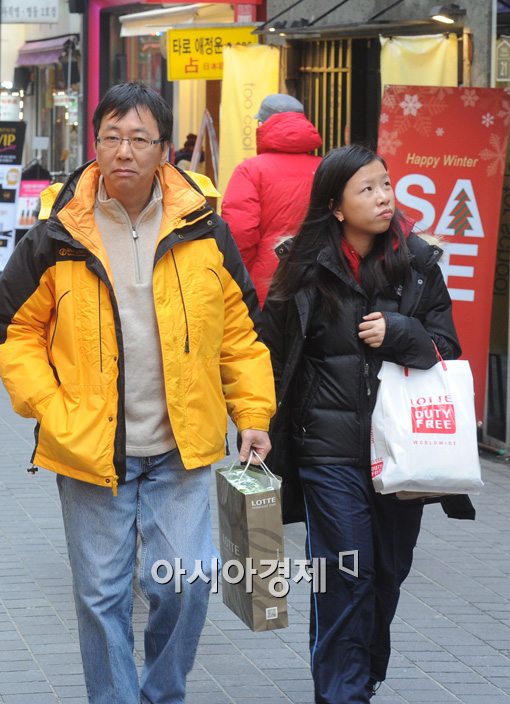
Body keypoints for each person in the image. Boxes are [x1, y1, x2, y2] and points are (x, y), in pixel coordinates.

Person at [0, 82, 275, 704]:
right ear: (94, 144)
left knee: (187, 582)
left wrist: (252, 413)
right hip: (89, 448)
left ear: (164, 152)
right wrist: (50, 405)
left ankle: (161, 693)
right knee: (102, 595)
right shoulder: (56, 231)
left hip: (181, 445)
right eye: (111, 138)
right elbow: (15, 329)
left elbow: (240, 333)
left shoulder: (203, 229)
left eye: (139, 139)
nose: (123, 151)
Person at [262, 144, 472, 703]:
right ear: (335, 206)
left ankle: (359, 676)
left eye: (385, 184)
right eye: (367, 189)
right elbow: (268, 349)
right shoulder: (302, 267)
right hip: (326, 451)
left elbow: (446, 346)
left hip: (403, 454)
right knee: (346, 576)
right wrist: (255, 423)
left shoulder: (418, 262)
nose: (383, 198)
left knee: (385, 576)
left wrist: (400, 331)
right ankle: (342, 693)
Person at [221, 93, 322, 306]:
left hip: (267, 285)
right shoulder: (325, 168)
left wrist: (241, 276)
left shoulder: (250, 171)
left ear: (262, 124)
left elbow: (240, 233)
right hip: (321, 279)